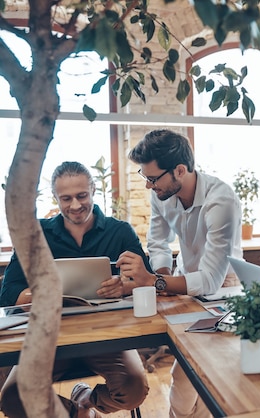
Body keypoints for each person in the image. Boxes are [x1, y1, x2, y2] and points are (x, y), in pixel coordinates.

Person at [0, 161, 151, 418]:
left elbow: (145, 283)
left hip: (108, 337)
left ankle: (88, 398)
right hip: (48, 339)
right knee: (13, 399)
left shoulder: (120, 232)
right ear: (55, 198)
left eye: (82, 195)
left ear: (93, 189)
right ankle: (78, 413)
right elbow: (8, 293)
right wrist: (41, 293)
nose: (75, 205)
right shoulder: (37, 235)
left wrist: (124, 287)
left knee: (134, 390)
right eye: (66, 198)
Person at [120, 129, 242, 418]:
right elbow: (158, 243)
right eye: (144, 176)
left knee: (197, 379)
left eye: (153, 178)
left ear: (180, 170)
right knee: (187, 376)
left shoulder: (220, 200)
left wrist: (154, 281)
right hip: (181, 286)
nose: (149, 186)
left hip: (225, 289)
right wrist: (161, 278)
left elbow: (211, 280)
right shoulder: (162, 193)